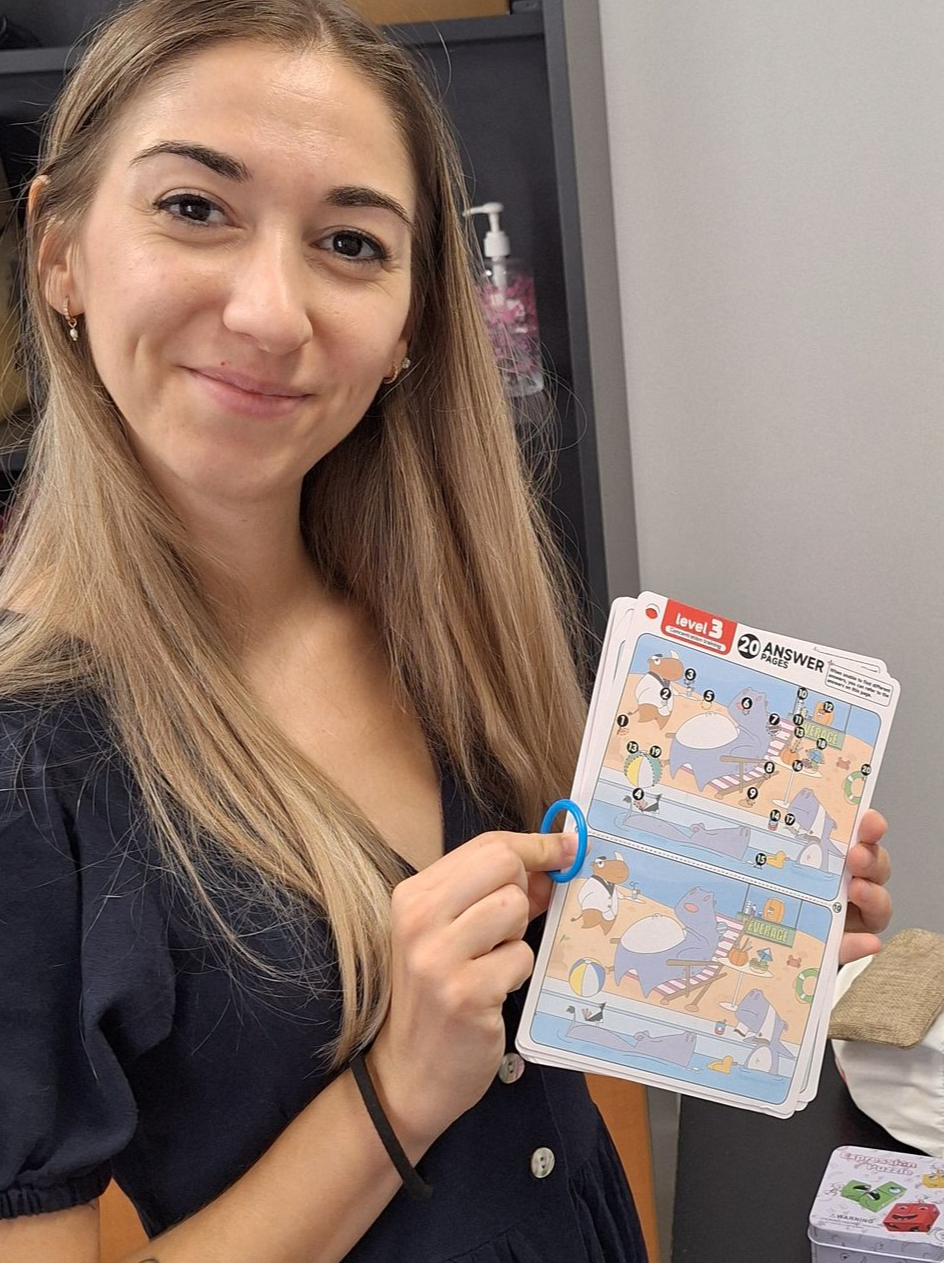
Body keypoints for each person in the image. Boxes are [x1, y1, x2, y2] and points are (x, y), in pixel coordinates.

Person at [0, 2, 893, 1260]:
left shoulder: (442, 622)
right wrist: (396, 1093)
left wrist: (741, 922)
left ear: (410, 322)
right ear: (59, 251)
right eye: (195, 208)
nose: (271, 312)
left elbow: (556, 1033)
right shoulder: (30, 760)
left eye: (349, 243)